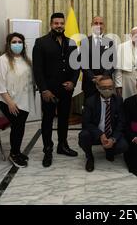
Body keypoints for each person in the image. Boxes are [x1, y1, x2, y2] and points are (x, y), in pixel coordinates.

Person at [33, 12, 80, 168]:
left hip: (66, 90)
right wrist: (44, 90)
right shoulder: (41, 43)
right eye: (56, 23)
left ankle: (63, 145)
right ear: (51, 24)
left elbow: (76, 65)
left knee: (64, 119)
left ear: (64, 24)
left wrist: (73, 82)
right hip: (49, 92)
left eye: (61, 23)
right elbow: (37, 69)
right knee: (47, 120)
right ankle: (48, 150)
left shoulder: (71, 42)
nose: (59, 26)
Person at [0, 33, 34, 168]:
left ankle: (17, 151)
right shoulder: (2, 61)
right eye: (14, 42)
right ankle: (14, 154)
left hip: (23, 100)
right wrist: (10, 102)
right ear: (8, 44)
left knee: (20, 126)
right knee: (17, 126)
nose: (17, 44)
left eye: (20, 42)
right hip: (7, 101)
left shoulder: (25, 59)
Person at [78, 76, 128, 172]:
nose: (107, 90)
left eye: (110, 87)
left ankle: (110, 150)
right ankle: (89, 157)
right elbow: (86, 123)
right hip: (96, 134)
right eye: (104, 87)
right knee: (83, 136)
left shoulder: (118, 100)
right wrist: (100, 134)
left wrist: (113, 139)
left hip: (111, 133)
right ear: (97, 87)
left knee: (124, 145)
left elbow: (121, 122)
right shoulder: (90, 101)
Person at [79, 16, 116, 100]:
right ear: (91, 25)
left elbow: (112, 63)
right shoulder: (84, 42)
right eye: (96, 23)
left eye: (101, 23)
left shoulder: (110, 42)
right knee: (89, 110)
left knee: (105, 109)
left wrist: (103, 77)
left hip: (106, 84)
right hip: (89, 83)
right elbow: (83, 64)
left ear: (104, 26)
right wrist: (93, 78)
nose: (98, 25)